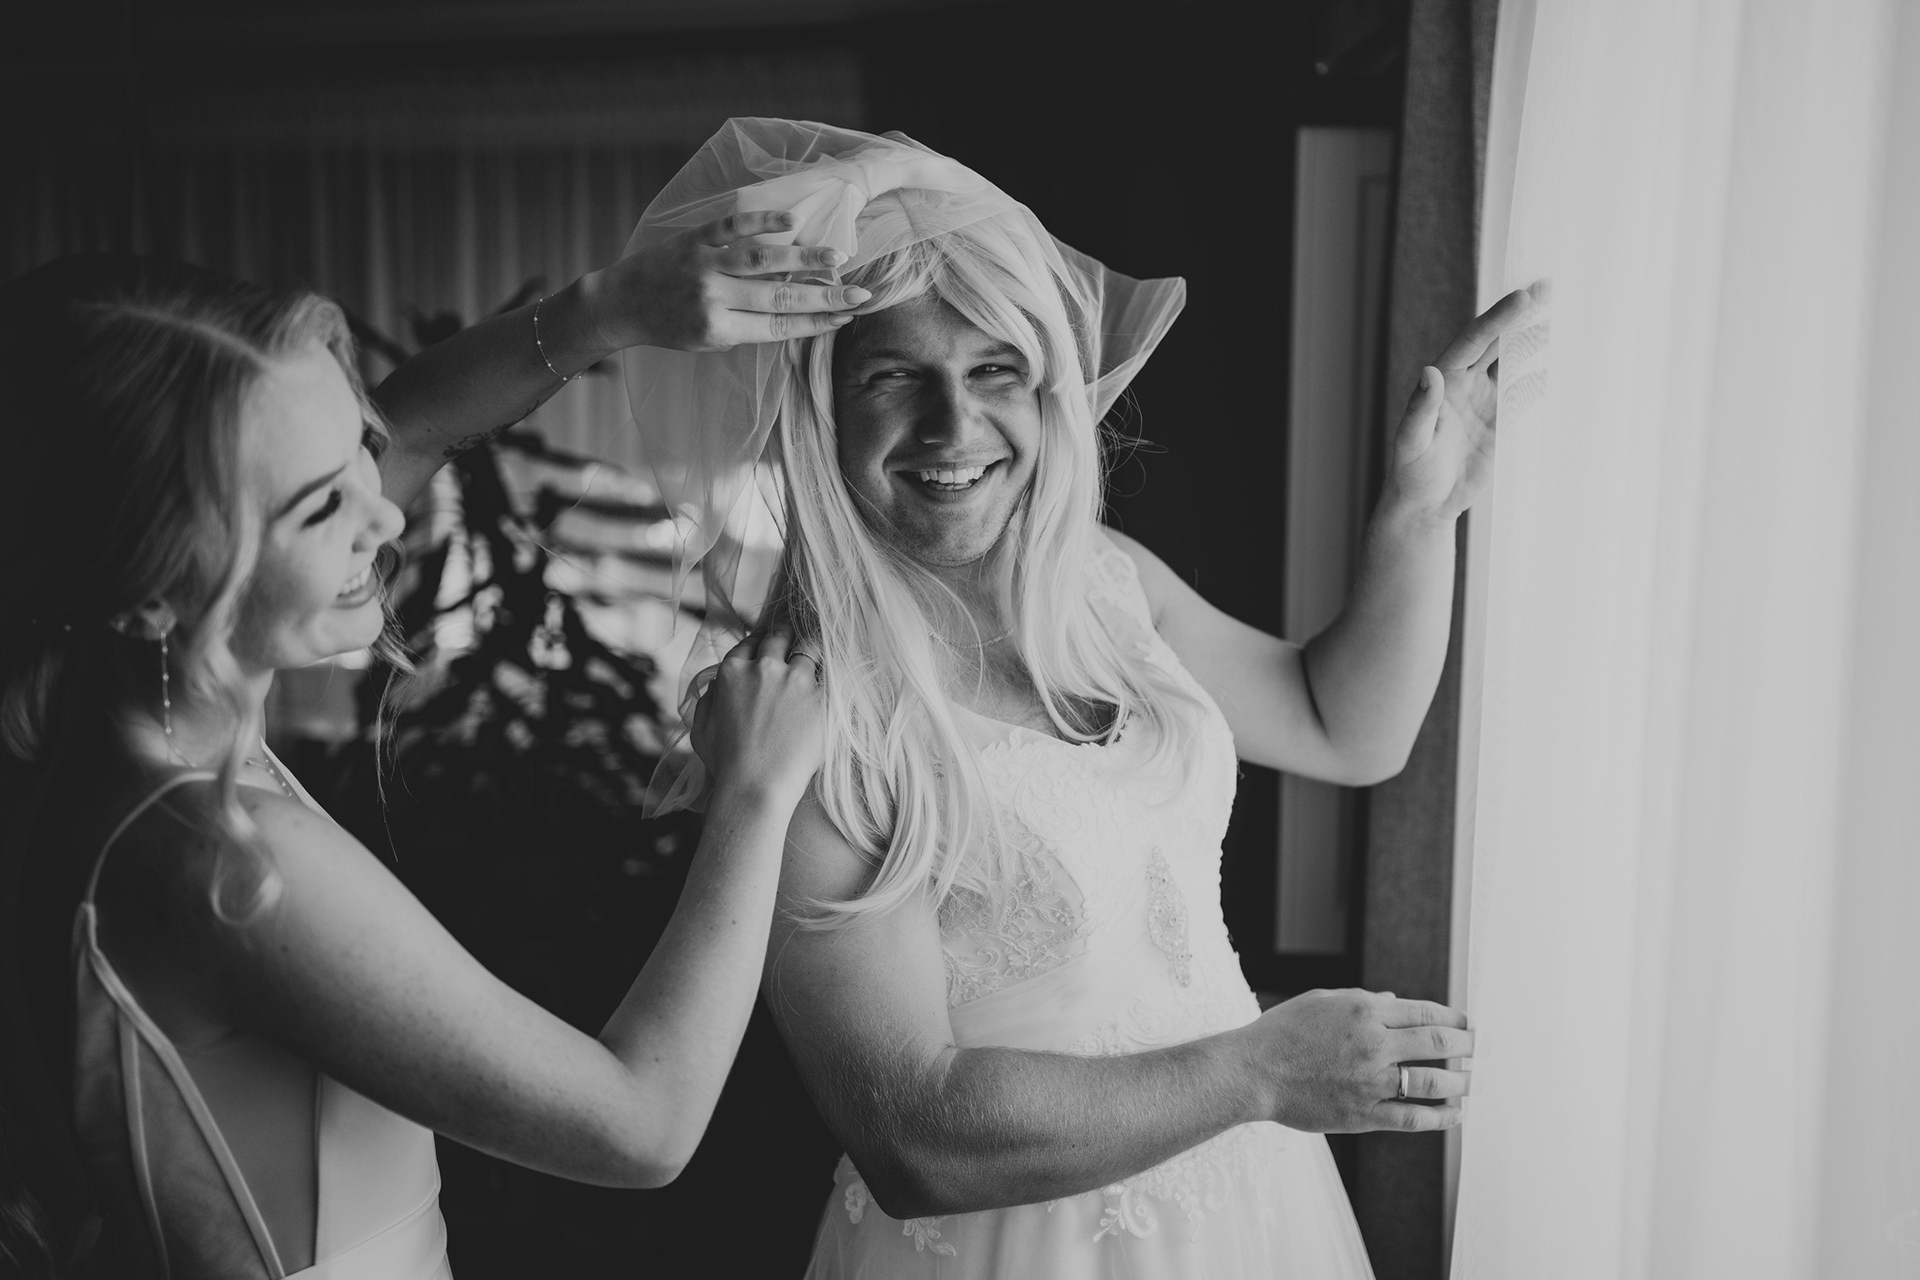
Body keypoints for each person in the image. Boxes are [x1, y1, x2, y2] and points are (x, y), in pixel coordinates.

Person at [626, 119, 1538, 1278]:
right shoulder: (804, 710)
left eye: (993, 370)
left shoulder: (1109, 584)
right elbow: (913, 1137)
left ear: (1050, 389)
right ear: (824, 409)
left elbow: (1343, 724)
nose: (954, 427)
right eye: (896, 375)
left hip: (1247, 1211)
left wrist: (1419, 512)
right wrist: (1261, 1069)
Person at [0, 219, 859, 1278]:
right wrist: (755, 792)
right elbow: (641, 1126)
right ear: (145, 590)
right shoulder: (232, 863)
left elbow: (413, 421)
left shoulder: (91, 733)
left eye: (358, 455)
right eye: (323, 507)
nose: (385, 517)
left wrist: (610, 308)